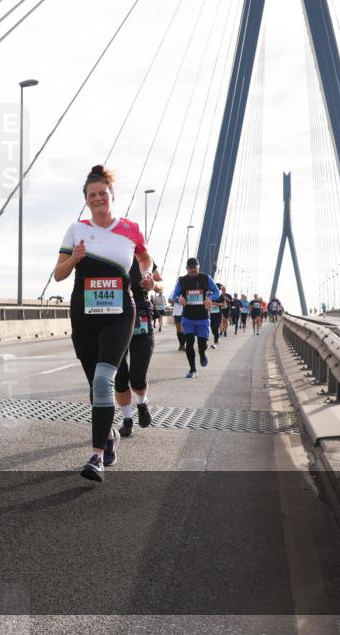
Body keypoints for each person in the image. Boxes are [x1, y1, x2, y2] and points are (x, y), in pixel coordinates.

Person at [54, 164, 153, 481]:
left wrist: (147, 274)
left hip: (120, 312)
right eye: (92, 195)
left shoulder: (130, 229)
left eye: (102, 194)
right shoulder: (76, 230)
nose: (98, 199)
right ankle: (109, 434)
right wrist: (75, 258)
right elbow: (59, 274)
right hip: (83, 314)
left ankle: (96, 456)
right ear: (86, 199)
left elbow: (144, 258)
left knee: (102, 381)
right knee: (94, 386)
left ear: (112, 196)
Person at [116, 262, 160, 438]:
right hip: (114, 321)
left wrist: (154, 285)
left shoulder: (142, 258)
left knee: (137, 378)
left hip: (140, 323)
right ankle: (127, 421)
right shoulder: (104, 253)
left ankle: (142, 403)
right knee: (119, 379)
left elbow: (160, 283)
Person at [172, 257, 221, 378]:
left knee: (201, 344)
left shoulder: (206, 278)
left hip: (203, 317)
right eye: (191, 270)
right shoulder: (182, 280)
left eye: (195, 270)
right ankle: (192, 369)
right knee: (189, 343)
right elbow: (175, 295)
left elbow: (217, 292)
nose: (193, 272)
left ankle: (202, 353)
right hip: (188, 317)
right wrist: (179, 298)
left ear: (199, 267)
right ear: (187, 269)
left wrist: (210, 298)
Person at [208, 283, 223, 347]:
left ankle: (215, 342)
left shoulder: (221, 296)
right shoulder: (210, 295)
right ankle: (217, 338)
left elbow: (224, 304)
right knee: (212, 328)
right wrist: (214, 303)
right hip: (212, 314)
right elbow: (208, 302)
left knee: (216, 328)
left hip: (218, 314)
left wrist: (218, 304)